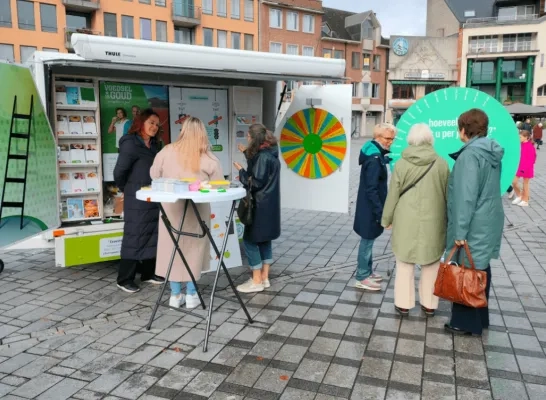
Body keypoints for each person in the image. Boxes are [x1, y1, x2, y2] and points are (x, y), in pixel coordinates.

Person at [150, 117, 224, 309]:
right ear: (202, 133)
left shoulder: (166, 151)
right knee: (194, 249)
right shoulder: (208, 157)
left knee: (172, 249)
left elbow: (154, 175)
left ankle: (175, 295)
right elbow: (218, 183)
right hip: (197, 211)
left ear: (182, 131)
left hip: (170, 210)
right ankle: (192, 294)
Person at [444, 108, 504, 336]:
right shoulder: (490, 152)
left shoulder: (470, 155)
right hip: (488, 218)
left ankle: (465, 322)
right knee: (480, 266)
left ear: (463, 129)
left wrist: (459, 231)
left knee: (467, 268)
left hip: (473, 222)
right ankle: (481, 317)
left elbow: (465, 197)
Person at [381, 123, 449, 316]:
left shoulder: (401, 163)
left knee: (404, 262)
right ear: (429, 139)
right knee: (431, 262)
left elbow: (393, 194)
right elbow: (447, 195)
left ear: (410, 139)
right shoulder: (441, 163)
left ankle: (403, 303)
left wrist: (386, 219)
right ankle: (429, 304)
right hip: (433, 221)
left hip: (405, 220)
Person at [114, 108, 164, 293]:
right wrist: (126, 188)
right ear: (141, 122)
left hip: (152, 195)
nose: (154, 127)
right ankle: (124, 278)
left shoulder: (154, 145)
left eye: (157, 124)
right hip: (136, 195)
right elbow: (119, 172)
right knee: (134, 235)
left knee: (152, 233)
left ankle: (148, 273)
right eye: (151, 122)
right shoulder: (130, 143)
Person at [233, 124, 281, 293]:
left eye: (248, 136)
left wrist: (241, 172)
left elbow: (255, 182)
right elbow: (259, 167)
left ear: (254, 139)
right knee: (265, 240)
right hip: (270, 206)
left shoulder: (262, 157)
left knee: (250, 240)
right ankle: (265, 277)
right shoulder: (271, 154)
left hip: (258, 206)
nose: (247, 138)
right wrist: (246, 153)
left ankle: (256, 280)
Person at [353, 123, 397, 291]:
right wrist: (380, 212)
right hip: (370, 209)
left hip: (368, 207)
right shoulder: (374, 159)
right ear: (378, 137)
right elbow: (372, 189)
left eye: (392, 138)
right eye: (387, 138)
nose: (390, 142)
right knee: (367, 241)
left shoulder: (375, 154)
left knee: (369, 239)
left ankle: (367, 271)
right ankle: (362, 276)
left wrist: (384, 159)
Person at [511, 130, 537, 207]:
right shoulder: (520, 145)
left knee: (525, 184)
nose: (519, 138)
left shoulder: (530, 147)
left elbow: (532, 159)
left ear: (526, 137)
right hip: (519, 167)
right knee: (514, 182)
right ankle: (519, 196)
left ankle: (525, 200)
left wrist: (524, 168)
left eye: (520, 137)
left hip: (527, 168)